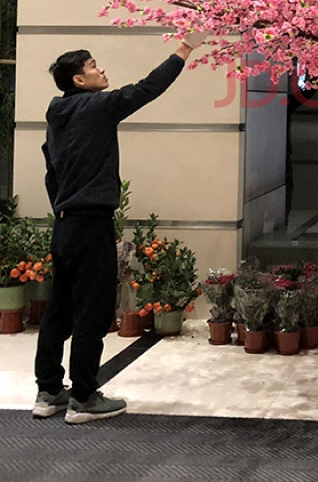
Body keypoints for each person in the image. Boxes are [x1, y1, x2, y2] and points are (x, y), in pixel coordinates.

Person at [32, 34, 206, 423]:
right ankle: (83, 398)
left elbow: (50, 173)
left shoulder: (56, 116)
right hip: (91, 224)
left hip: (64, 225)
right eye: (93, 66)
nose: (101, 70)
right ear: (79, 80)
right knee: (92, 313)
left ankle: (47, 392)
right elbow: (147, 88)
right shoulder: (98, 107)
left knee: (58, 309)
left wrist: (64, 207)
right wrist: (185, 49)